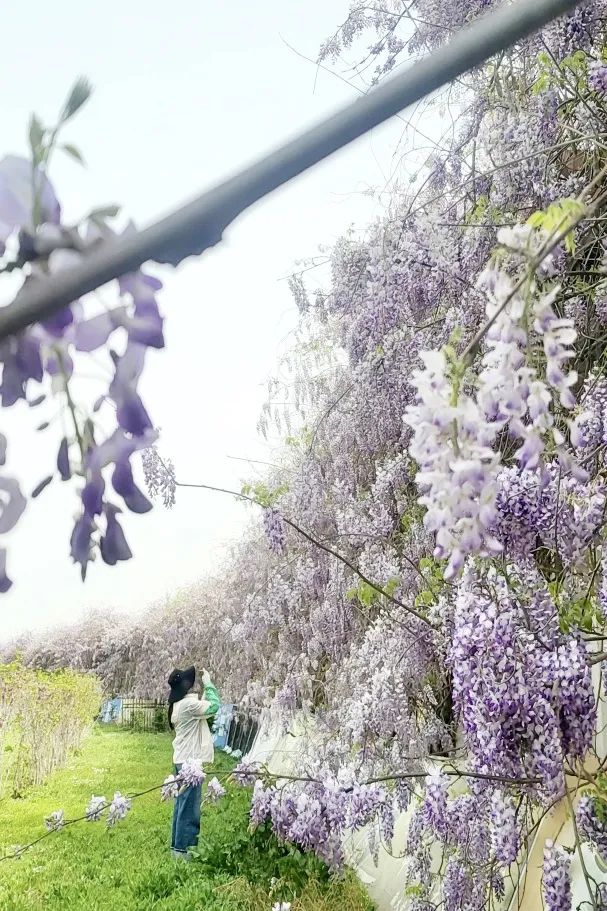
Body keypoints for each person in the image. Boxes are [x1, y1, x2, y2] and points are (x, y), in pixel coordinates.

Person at [167, 664, 220, 858]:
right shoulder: (188, 705)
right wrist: (208, 683)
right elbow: (213, 706)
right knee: (189, 807)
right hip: (190, 764)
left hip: (180, 760)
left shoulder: (179, 705)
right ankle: (184, 851)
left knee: (181, 805)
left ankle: (177, 847)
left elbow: (203, 708)